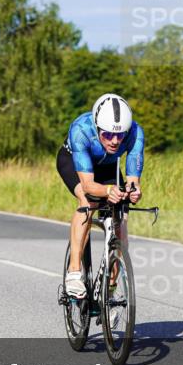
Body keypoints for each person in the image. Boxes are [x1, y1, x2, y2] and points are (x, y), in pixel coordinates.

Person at [57, 94, 144, 298]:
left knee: (121, 219)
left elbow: (133, 179)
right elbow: (88, 185)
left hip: (108, 167)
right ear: (97, 127)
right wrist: (107, 191)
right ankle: (74, 271)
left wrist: (133, 191)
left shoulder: (135, 132)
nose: (115, 141)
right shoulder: (81, 129)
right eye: (108, 135)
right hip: (75, 162)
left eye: (120, 135)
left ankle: (110, 288)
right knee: (87, 202)